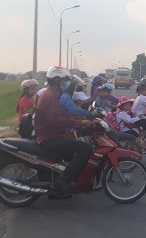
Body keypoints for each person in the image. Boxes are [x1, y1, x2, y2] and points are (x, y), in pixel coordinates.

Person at [34, 66, 94, 198]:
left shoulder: (52, 94)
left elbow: (62, 115)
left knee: (74, 151)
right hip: (50, 138)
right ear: (56, 80)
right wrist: (79, 123)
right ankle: (63, 181)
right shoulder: (50, 96)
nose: (66, 83)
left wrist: (79, 120)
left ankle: (59, 186)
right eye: (64, 80)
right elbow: (56, 119)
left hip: (53, 135)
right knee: (85, 149)